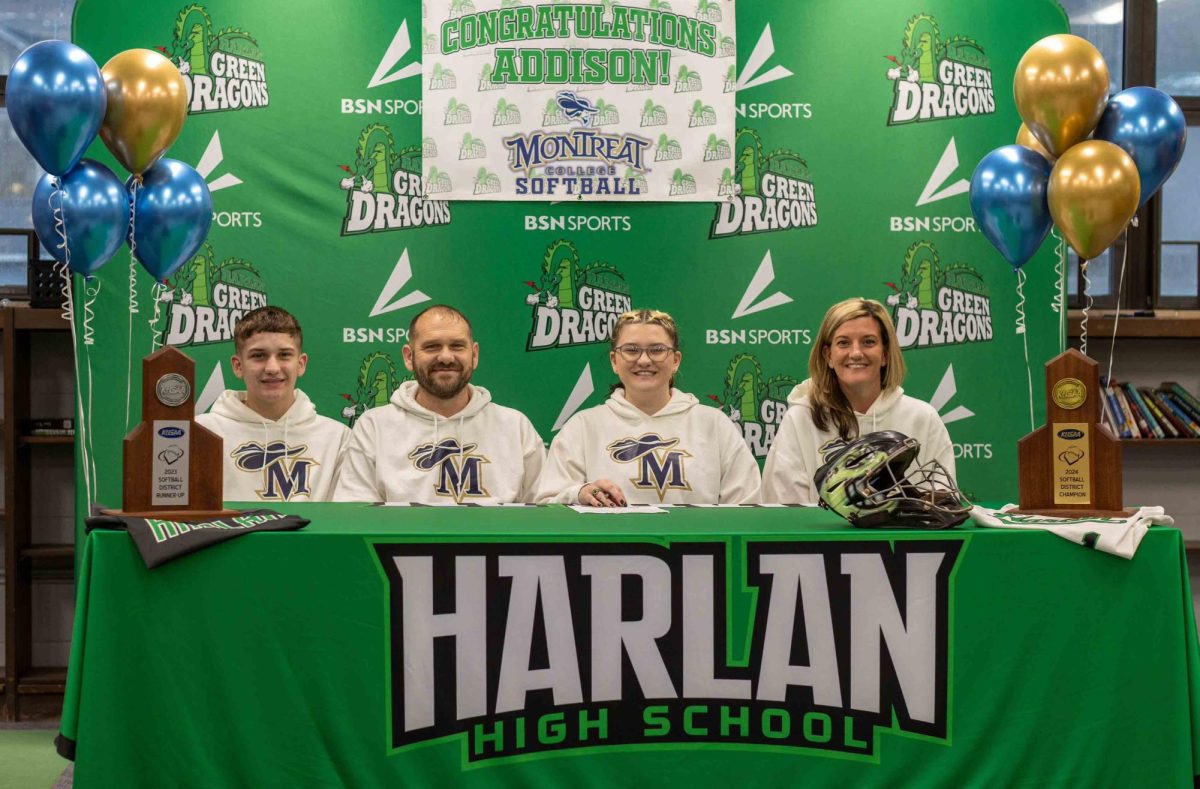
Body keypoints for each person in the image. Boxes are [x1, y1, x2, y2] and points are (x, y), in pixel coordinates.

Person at [537, 309, 760, 505]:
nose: (644, 360)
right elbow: (548, 503)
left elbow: (747, 507)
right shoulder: (583, 427)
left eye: (657, 350)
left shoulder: (714, 425)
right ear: (614, 361)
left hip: (699, 552)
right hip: (609, 552)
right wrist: (580, 493)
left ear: (676, 360)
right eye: (632, 350)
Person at [333, 305, 544, 503]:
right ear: (409, 357)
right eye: (432, 347)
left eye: (457, 346)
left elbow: (548, 512)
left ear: (475, 355)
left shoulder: (515, 426)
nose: (445, 357)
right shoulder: (374, 427)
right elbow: (355, 515)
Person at [762, 297, 955, 504]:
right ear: (828, 356)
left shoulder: (923, 418)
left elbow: (939, 505)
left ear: (885, 355)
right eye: (843, 343)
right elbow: (786, 513)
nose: (855, 353)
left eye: (868, 342)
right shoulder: (801, 418)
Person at [197, 306, 350, 502]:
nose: (272, 368)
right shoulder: (200, 432)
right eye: (258, 356)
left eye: (284, 355)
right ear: (238, 366)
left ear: (301, 364)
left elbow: (343, 521)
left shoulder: (337, 438)